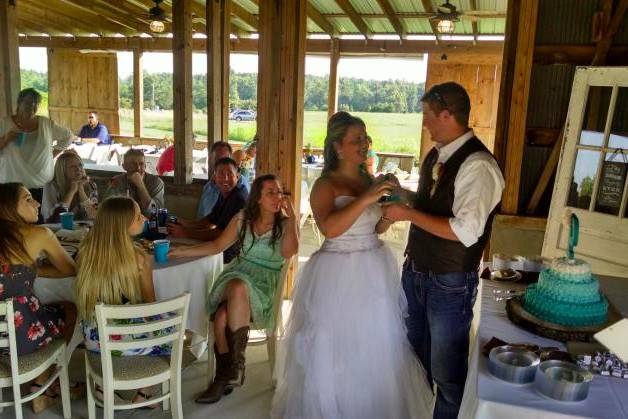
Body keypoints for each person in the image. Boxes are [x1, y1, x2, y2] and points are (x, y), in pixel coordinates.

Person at [271, 112, 432, 419]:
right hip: (337, 273)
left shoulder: (369, 180)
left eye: (366, 138)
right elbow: (329, 229)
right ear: (338, 146)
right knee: (336, 349)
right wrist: (366, 198)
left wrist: (389, 208)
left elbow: (377, 228)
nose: (364, 144)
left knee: (375, 346)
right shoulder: (325, 185)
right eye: (357, 139)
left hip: (373, 268)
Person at [382, 82, 505, 419]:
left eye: (428, 115)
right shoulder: (436, 155)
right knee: (413, 361)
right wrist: (403, 196)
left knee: (446, 375)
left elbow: (465, 232)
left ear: (447, 115)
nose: (424, 123)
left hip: (450, 283)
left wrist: (407, 214)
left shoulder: (478, 166)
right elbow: (432, 207)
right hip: (416, 272)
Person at [170, 174, 299, 404]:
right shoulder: (242, 219)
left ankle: (224, 376)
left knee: (221, 318)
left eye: (280, 192)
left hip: (262, 286)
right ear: (257, 198)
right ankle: (235, 367)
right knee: (237, 284)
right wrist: (182, 252)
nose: (278, 197)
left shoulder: (285, 224)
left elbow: (289, 252)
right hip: (236, 277)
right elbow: (216, 246)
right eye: (271, 192)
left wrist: (293, 220)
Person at [74, 196, 165, 407]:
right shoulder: (140, 258)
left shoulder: (85, 252)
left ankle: (102, 387)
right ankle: (145, 394)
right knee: (166, 328)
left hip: (94, 340)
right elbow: (150, 306)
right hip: (127, 344)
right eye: (137, 216)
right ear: (122, 224)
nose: (144, 217)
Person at [0, 183, 78, 413]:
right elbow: (69, 269)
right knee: (69, 309)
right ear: (7, 207)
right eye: (27, 199)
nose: (36, 203)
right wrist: (31, 268)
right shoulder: (39, 234)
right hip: (18, 335)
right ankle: (42, 386)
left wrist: (25, 268)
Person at [0, 88, 74, 216]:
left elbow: (68, 136)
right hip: (12, 186)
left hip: (41, 185)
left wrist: (52, 155)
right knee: (13, 221)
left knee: (38, 220)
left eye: (36, 103)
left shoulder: (46, 124)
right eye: (28, 102)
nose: (32, 106)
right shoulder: (5, 124)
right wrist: (7, 139)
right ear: (19, 103)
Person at [168, 157, 248, 263]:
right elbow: (211, 220)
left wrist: (186, 232)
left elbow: (220, 234)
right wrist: (186, 223)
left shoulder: (238, 198)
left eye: (230, 174)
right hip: (219, 247)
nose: (225, 178)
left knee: (178, 257)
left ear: (237, 177)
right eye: (221, 174)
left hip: (231, 256)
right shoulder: (225, 192)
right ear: (214, 177)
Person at [42, 150, 98, 223]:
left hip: (83, 230)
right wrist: (71, 192)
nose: (78, 169)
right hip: (58, 230)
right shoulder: (51, 187)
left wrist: (81, 190)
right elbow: (52, 219)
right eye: (72, 167)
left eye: (80, 165)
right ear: (62, 170)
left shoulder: (91, 185)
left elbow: (94, 215)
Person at [197, 141, 249, 218]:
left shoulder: (240, 187)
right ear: (211, 160)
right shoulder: (209, 186)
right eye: (218, 160)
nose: (222, 164)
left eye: (225, 160)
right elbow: (202, 217)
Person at [104, 148, 165, 215]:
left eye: (141, 164)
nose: (138, 168)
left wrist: (141, 186)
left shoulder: (157, 183)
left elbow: (155, 213)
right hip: (122, 222)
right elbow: (106, 208)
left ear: (145, 166)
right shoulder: (117, 181)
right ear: (124, 166)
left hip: (147, 224)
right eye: (133, 164)